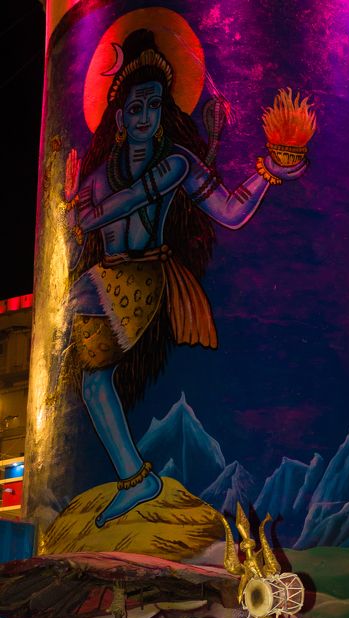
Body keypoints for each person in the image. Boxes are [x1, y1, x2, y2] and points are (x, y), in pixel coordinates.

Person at [62, 29, 307, 528]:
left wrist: (267, 172)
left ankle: (136, 480)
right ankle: (135, 479)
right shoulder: (102, 173)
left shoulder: (173, 162)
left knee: (92, 379)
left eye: (154, 106)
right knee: (89, 381)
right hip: (103, 279)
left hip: (140, 281)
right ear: (119, 116)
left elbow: (229, 211)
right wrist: (71, 206)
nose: (144, 117)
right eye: (135, 108)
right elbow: (82, 221)